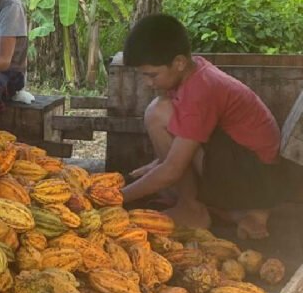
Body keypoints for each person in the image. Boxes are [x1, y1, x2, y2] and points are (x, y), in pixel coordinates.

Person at [120, 14, 290, 239]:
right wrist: (155, 166)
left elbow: (173, 169)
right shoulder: (194, 72)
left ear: (179, 62)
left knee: (158, 112)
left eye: (152, 75)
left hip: (255, 174)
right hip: (250, 168)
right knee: (162, 115)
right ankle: (241, 212)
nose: (148, 83)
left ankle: (192, 209)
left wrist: (117, 197)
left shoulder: (201, 90)